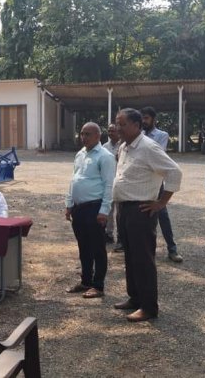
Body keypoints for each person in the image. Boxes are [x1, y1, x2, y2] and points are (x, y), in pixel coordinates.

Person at [113, 108, 182, 322]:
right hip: (123, 208)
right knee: (131, 257)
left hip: (141, 210)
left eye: (122, 124)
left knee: (143, 259)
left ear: (136, 125)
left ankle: (149, 307)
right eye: (117, 123)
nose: (118, 128)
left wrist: (161, 202)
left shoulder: (148, 147)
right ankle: (135, 298)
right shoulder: (124, 147)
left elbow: (174, 171)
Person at [64, 122, 116, 299]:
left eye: (88, 134)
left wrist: (104, 211)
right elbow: (74, 180)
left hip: (95, 207)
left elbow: (110, 185)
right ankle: (85, 280)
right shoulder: (80, 154)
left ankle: (98, 285)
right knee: (83, 246)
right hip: (79, 208)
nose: (83, 137)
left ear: (98, 136)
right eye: (82, 133)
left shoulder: (105, 156)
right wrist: (69, 204)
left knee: (97, 248)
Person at [140, 106, 183, 263]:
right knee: (143, 215)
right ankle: (146, 250)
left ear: (153, 119)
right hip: (142, 182)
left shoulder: (161, 135)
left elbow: (158, 155)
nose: (144, 121)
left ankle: (172, 249)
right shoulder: (138, 135)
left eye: (146, 118)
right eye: (142, 118)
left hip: (157, 182)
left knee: (162, 215)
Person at [102, 124, 122, 249]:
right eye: (109, 130)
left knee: (120, 212)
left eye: (113, 130)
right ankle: (109, 234)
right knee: (108, 210)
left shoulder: (124, 145)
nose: (110, 133)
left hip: (120, 182)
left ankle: (121, 237)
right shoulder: (104, 146)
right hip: (108, 183)